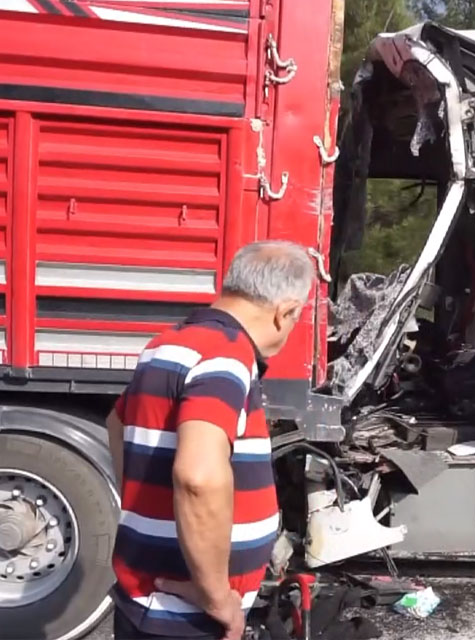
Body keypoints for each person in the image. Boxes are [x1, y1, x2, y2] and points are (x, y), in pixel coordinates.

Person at [105, 240, 315, 639]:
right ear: (285, 311)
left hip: (147, 605)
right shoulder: (225, 357)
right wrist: (216, 596)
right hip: (187, 619)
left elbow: (117, 424)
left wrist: (149, 511)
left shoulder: (168, 342)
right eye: (295, 318)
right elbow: (197, 478)